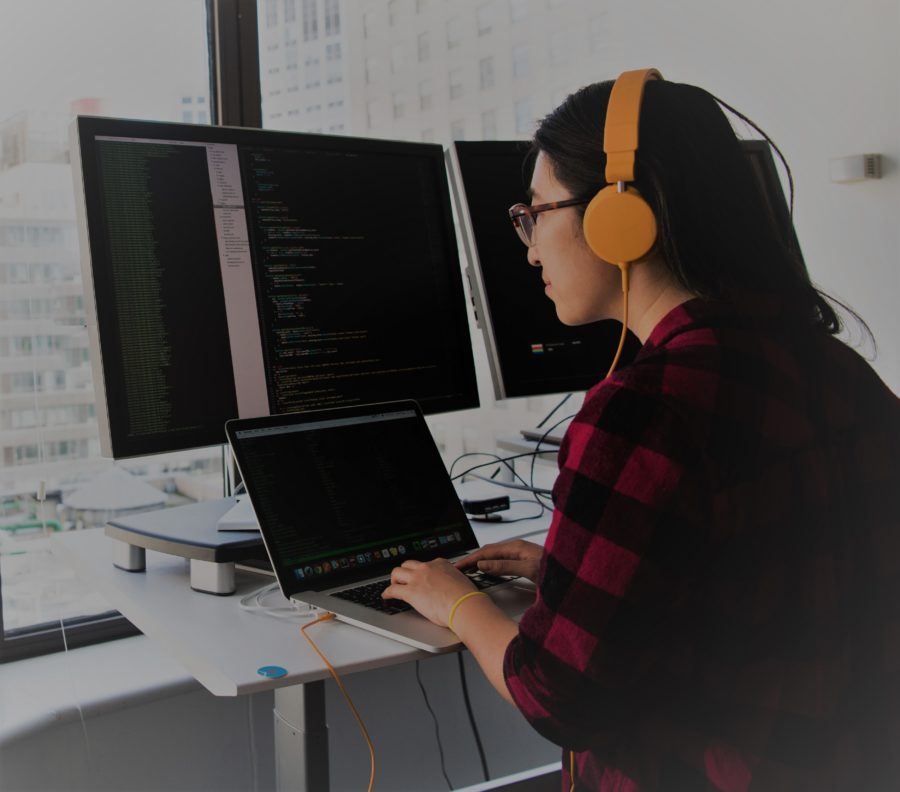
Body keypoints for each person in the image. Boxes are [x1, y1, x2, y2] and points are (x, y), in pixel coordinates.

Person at [383, 69, 900, 791]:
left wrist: (455, 601)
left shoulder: (647, 410)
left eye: (535, 213)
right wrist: (577, 575)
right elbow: (773, 572)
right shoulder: (843, 371)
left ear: (620, 218)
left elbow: (556, 695)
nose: (529, 248)